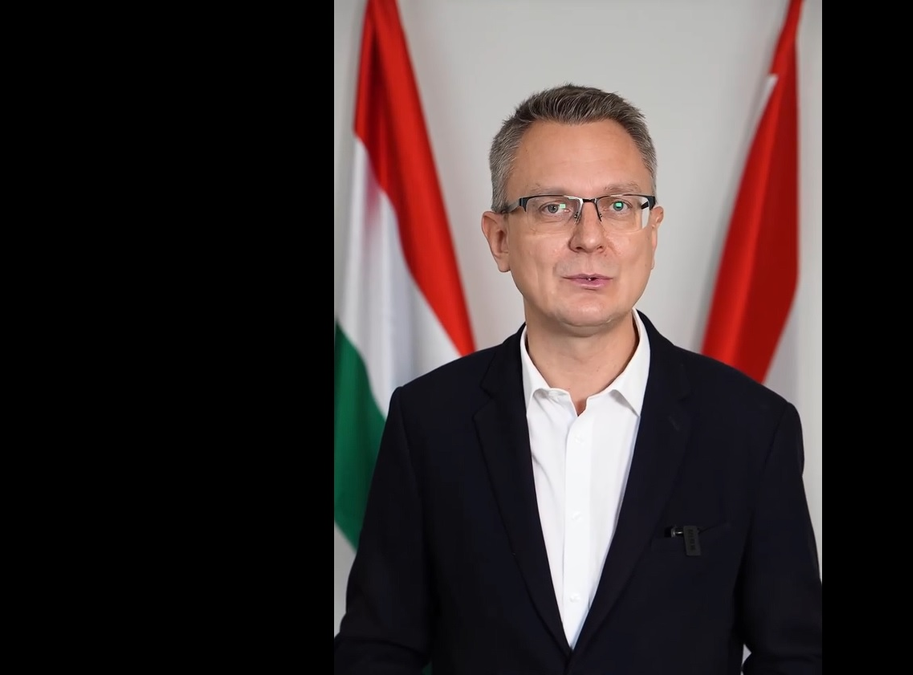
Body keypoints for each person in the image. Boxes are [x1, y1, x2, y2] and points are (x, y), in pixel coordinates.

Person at [334, 84, 822, 675]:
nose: (589, 237)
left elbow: (795, 657)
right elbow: (377, 650)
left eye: (618, 205)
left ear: (652, 232)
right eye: (552, 206)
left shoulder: (752, 427)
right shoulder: (428, 421)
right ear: (499, 238)